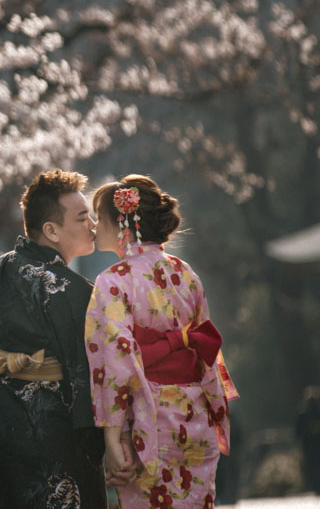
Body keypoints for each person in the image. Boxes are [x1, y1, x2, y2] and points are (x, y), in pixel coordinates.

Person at [0, 169, 121, 508]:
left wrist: (10, 376)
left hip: (8, 430)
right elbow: (86, 373)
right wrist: (103, 444)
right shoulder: (76, 291)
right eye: (82, 217)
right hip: (59, 437)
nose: (93, 224)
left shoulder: (0, 269)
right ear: (51, 230)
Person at [85, 174, 238, 508]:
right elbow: (206, 349)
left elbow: (113, 362)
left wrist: (112, 439)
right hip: (195, 415)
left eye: (99, 217)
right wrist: (216, 409)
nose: (94, 227)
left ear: (123, 222)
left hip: (148, 420)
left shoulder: (113, 281)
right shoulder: (186, 273)